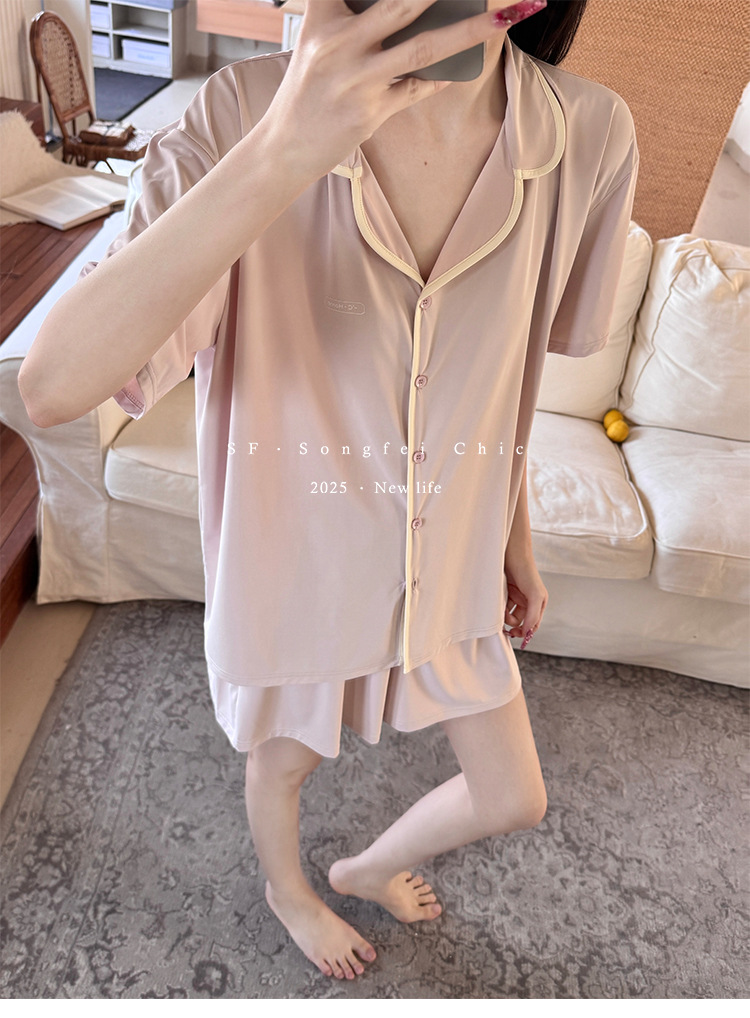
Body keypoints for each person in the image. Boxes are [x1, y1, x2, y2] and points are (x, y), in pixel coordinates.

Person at [19, 0, 639, 983]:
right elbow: (53, 385)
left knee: (514, 794)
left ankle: (364, 866)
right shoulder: (239, 112)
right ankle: (289, 890)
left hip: (452, 565)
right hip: (298, 566)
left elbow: (496, 376)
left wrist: (513, 535)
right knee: (281, 765)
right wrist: (282, 152)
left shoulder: (589, 131)